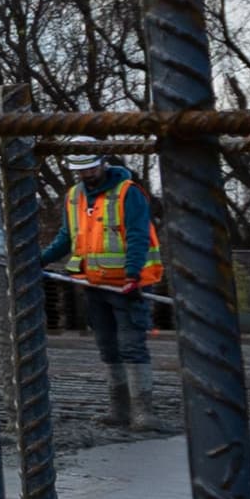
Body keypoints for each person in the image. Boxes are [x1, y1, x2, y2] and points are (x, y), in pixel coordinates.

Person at [52, 152, 163, 427]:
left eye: (90, 168)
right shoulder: (74, 196)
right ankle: (120, 410)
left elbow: (138, 234)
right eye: (81, 170)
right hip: (93, 284)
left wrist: (133, 274)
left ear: (102, 163)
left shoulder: (128, 193)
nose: (86, 174)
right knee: (108, 347)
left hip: (126, 286)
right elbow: (67, 237)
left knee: (132, 346)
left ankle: (143, 411)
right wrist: (36, 260)